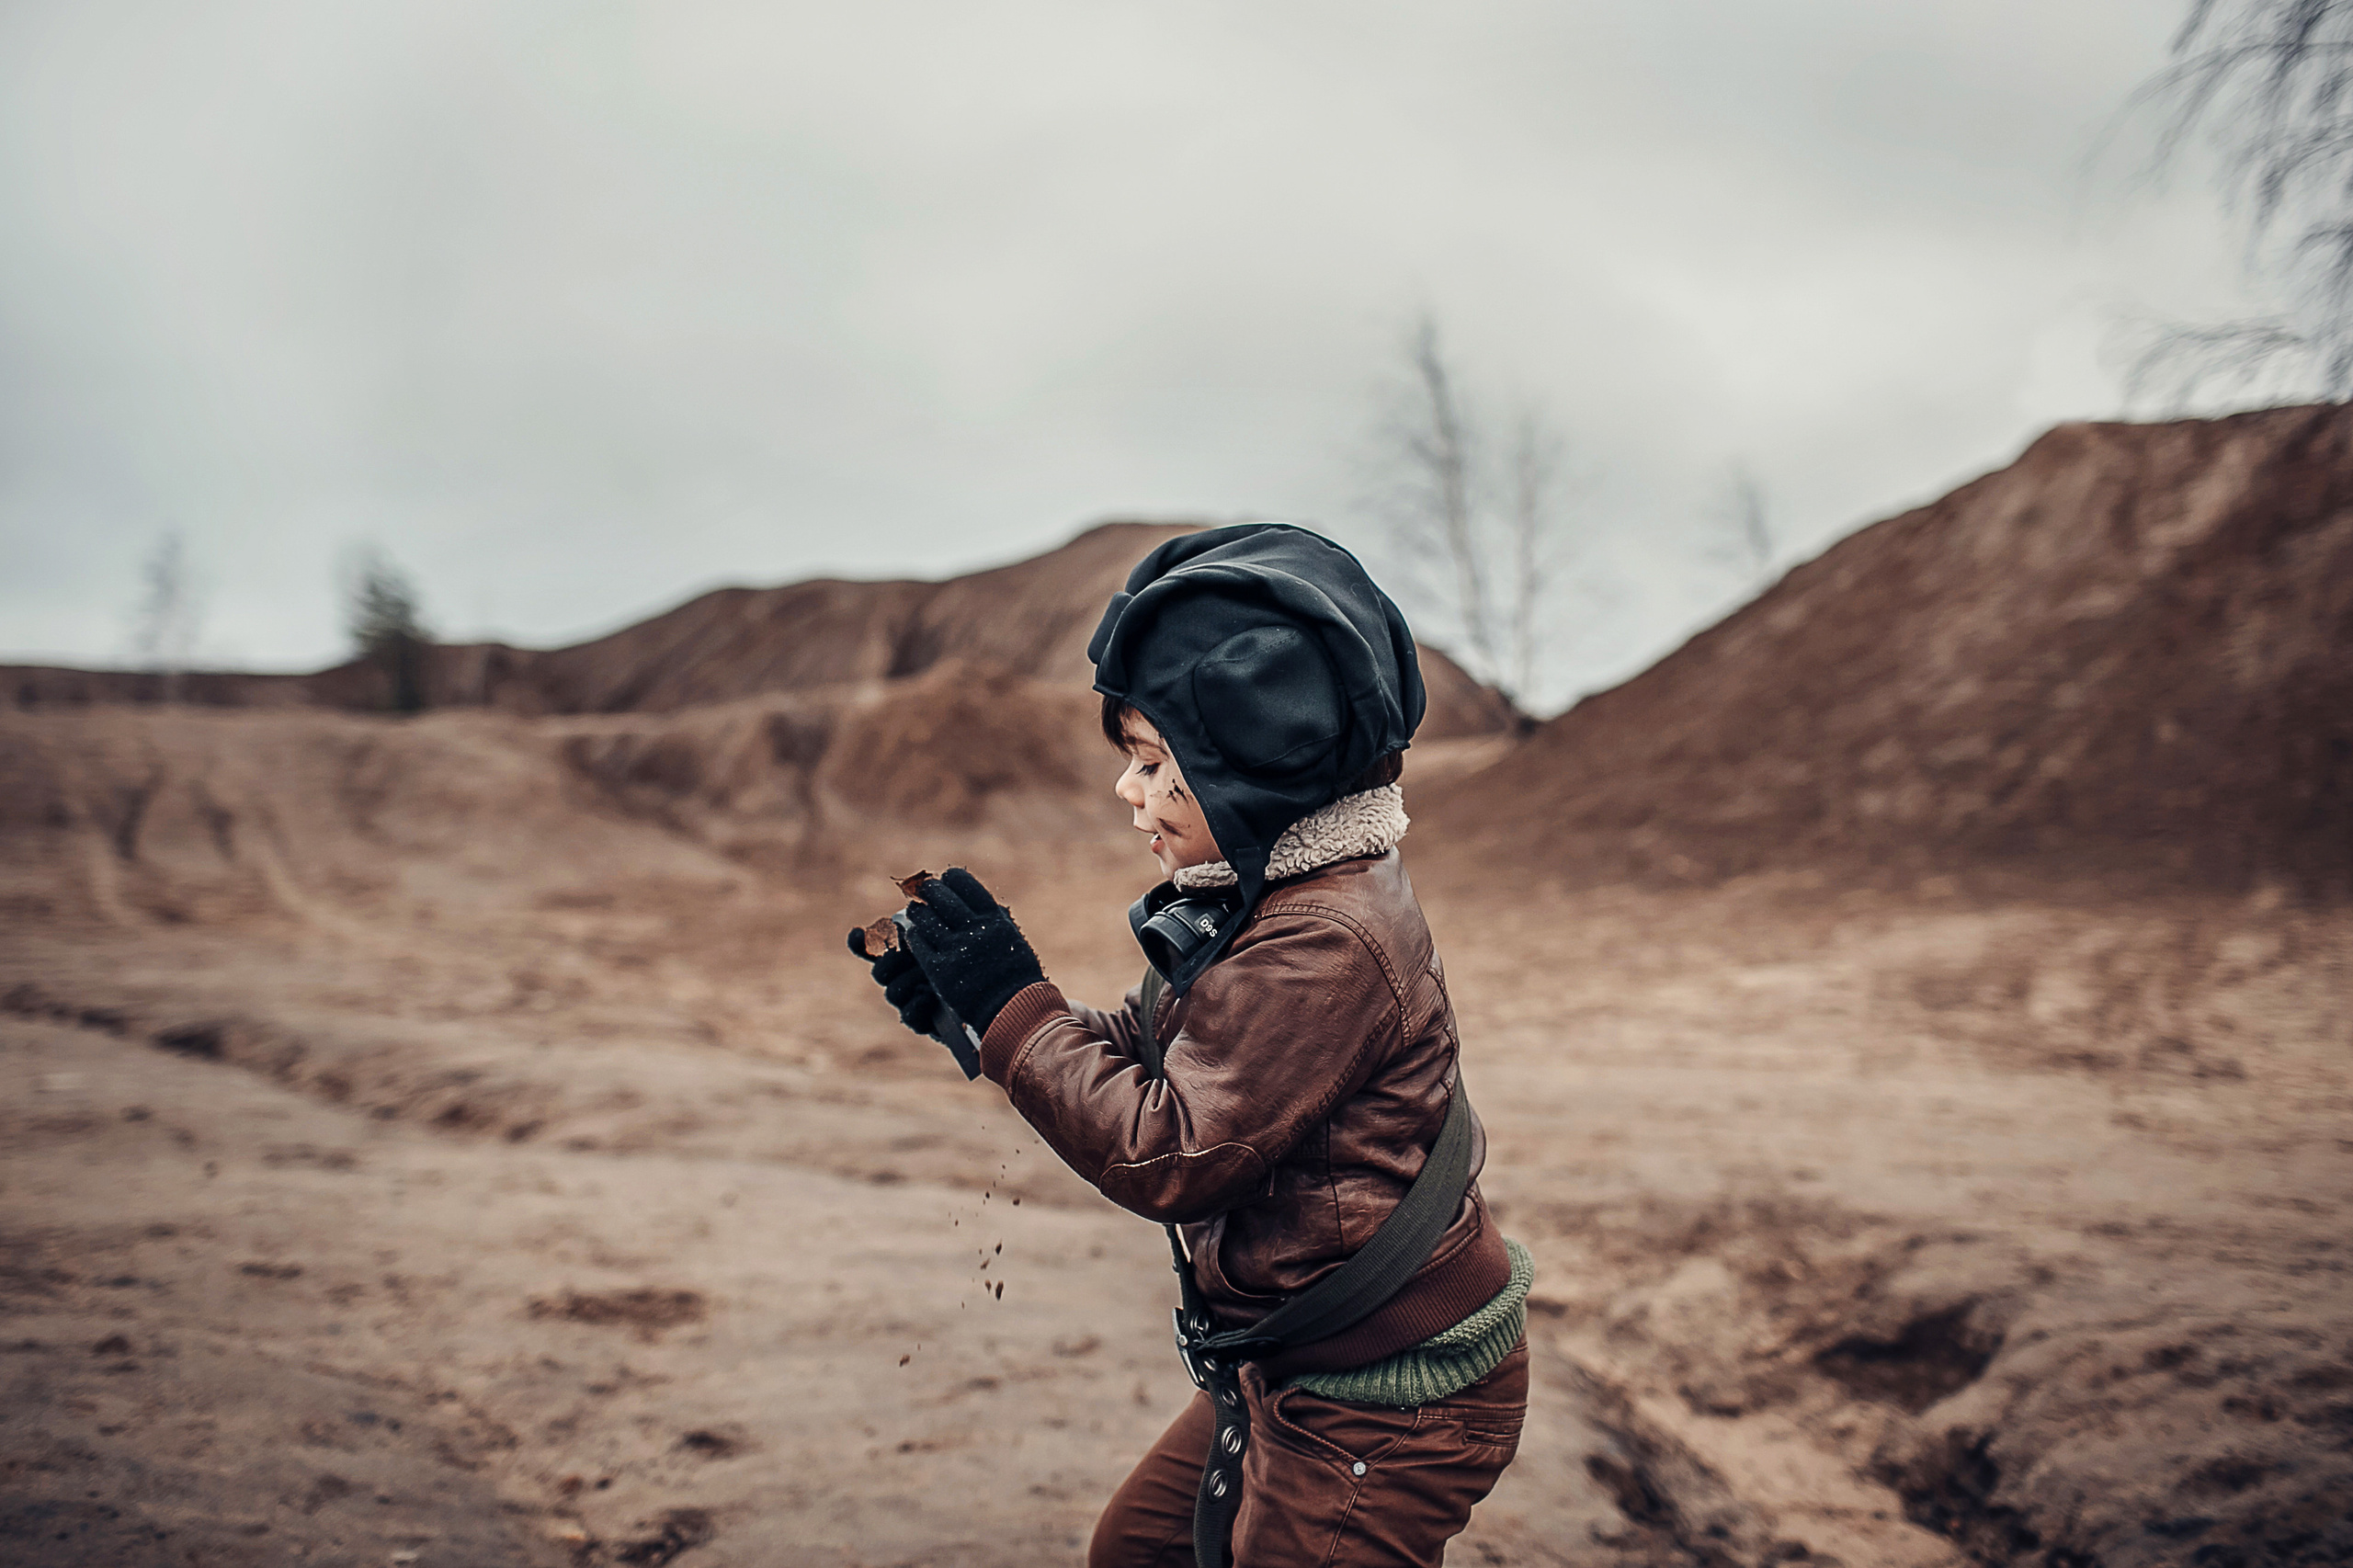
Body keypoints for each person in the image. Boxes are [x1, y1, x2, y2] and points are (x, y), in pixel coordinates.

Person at [853, 524, 1529, 1568]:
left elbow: (1174, 1150)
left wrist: (1017, 1006)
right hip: (1294, 1359)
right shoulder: (1260, 900)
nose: (1129, 791)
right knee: (1140, 1550)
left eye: (1155, 763)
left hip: (1388, 1389)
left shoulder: (1324, 936)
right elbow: (1147, 1049)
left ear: (1254, 766)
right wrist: (978, 1017)